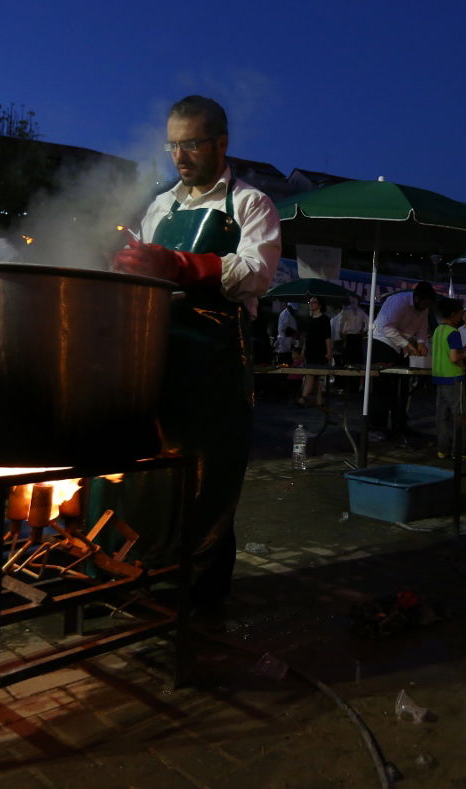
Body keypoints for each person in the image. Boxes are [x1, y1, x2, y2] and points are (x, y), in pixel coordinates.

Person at [113, 94, 281, 612]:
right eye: (173, 145)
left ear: (220, 143)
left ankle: (200, 595)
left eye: (191, 144)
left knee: (209, 477)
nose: (180, 156)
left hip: (215, 363)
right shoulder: (161, 206)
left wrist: (179, 265)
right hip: (159, 357)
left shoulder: (250, 204)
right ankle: (142, 575)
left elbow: (257, 271)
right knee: (152, 474)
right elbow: (141, 268)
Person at [369, 281, 437, 435]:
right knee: (384, 387)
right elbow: (386, 327)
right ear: (417, 298)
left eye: (429, 304)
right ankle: (377, 425)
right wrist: (408, 344)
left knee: (402, 387)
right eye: (425, 302)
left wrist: (421, 343)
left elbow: (421, 329)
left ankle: (399, 423)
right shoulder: (399, 303)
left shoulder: (424, 308)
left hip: (402, 347)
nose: (426, 306)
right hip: (382, 342)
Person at [432, 298, 466, 459]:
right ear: (453, 314)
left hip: (439, 378)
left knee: (441, 416)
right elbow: (454, 357)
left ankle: (443, 449)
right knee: (459, 416)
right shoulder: (453, 332)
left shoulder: (437, 331)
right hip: (454, 379)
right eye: (460, 314)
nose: (461, 317)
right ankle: (458, 451)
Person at [298, 297, 332, 407]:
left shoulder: (325, 319)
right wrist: (303, 351)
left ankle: (307, 398)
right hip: (310, 351)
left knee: (317, 375)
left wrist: (329, 351)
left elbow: (327, 337)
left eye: (314, 302)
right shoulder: (309, 319)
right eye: (309, 302)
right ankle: (306, 398)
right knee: (310, 374)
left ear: (320, 305)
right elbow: (307, 338)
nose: (311, 304)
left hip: (321, 351)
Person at [332, 299, 368, 366]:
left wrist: (340, 332)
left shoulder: (346, 310)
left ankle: (348, 368)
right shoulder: (361, 311)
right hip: (357, 336)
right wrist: (364, 331)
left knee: (348, 356)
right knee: (356, 357)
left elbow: (341, 323)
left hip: (348, 336)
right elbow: (369, 322)